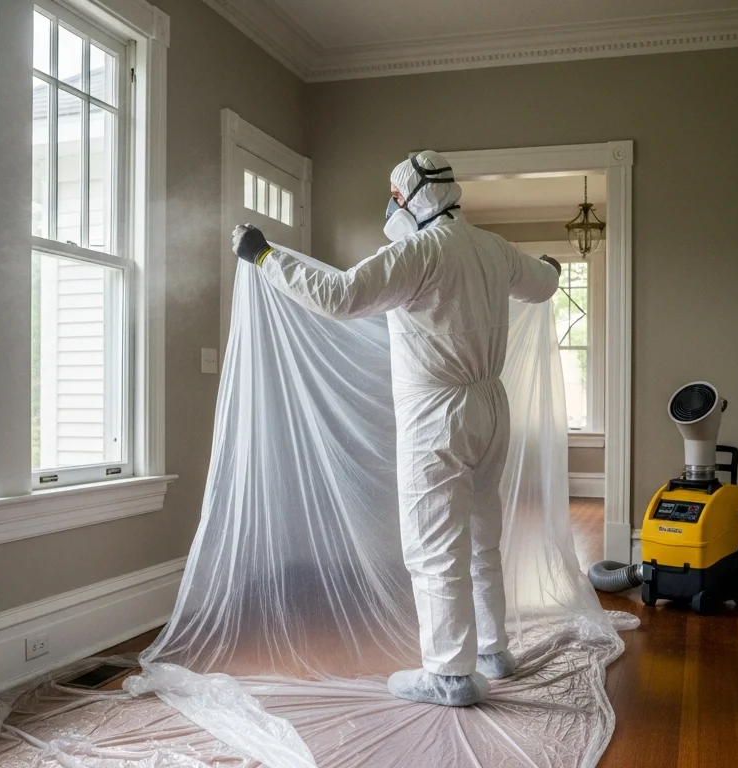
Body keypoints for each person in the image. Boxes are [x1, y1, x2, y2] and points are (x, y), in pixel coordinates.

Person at [231, 150, 561, 707]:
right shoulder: (492, 247)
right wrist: (550, 267)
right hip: (490, 407)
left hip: (438, 414)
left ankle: (448, 675)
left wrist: (265, 257)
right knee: (482, 536)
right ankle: (492, 650)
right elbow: (544, 285)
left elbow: (338, 295)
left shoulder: (417, 252)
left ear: (409, 197)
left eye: (394, 194)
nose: (391, 204)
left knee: (434, 544)